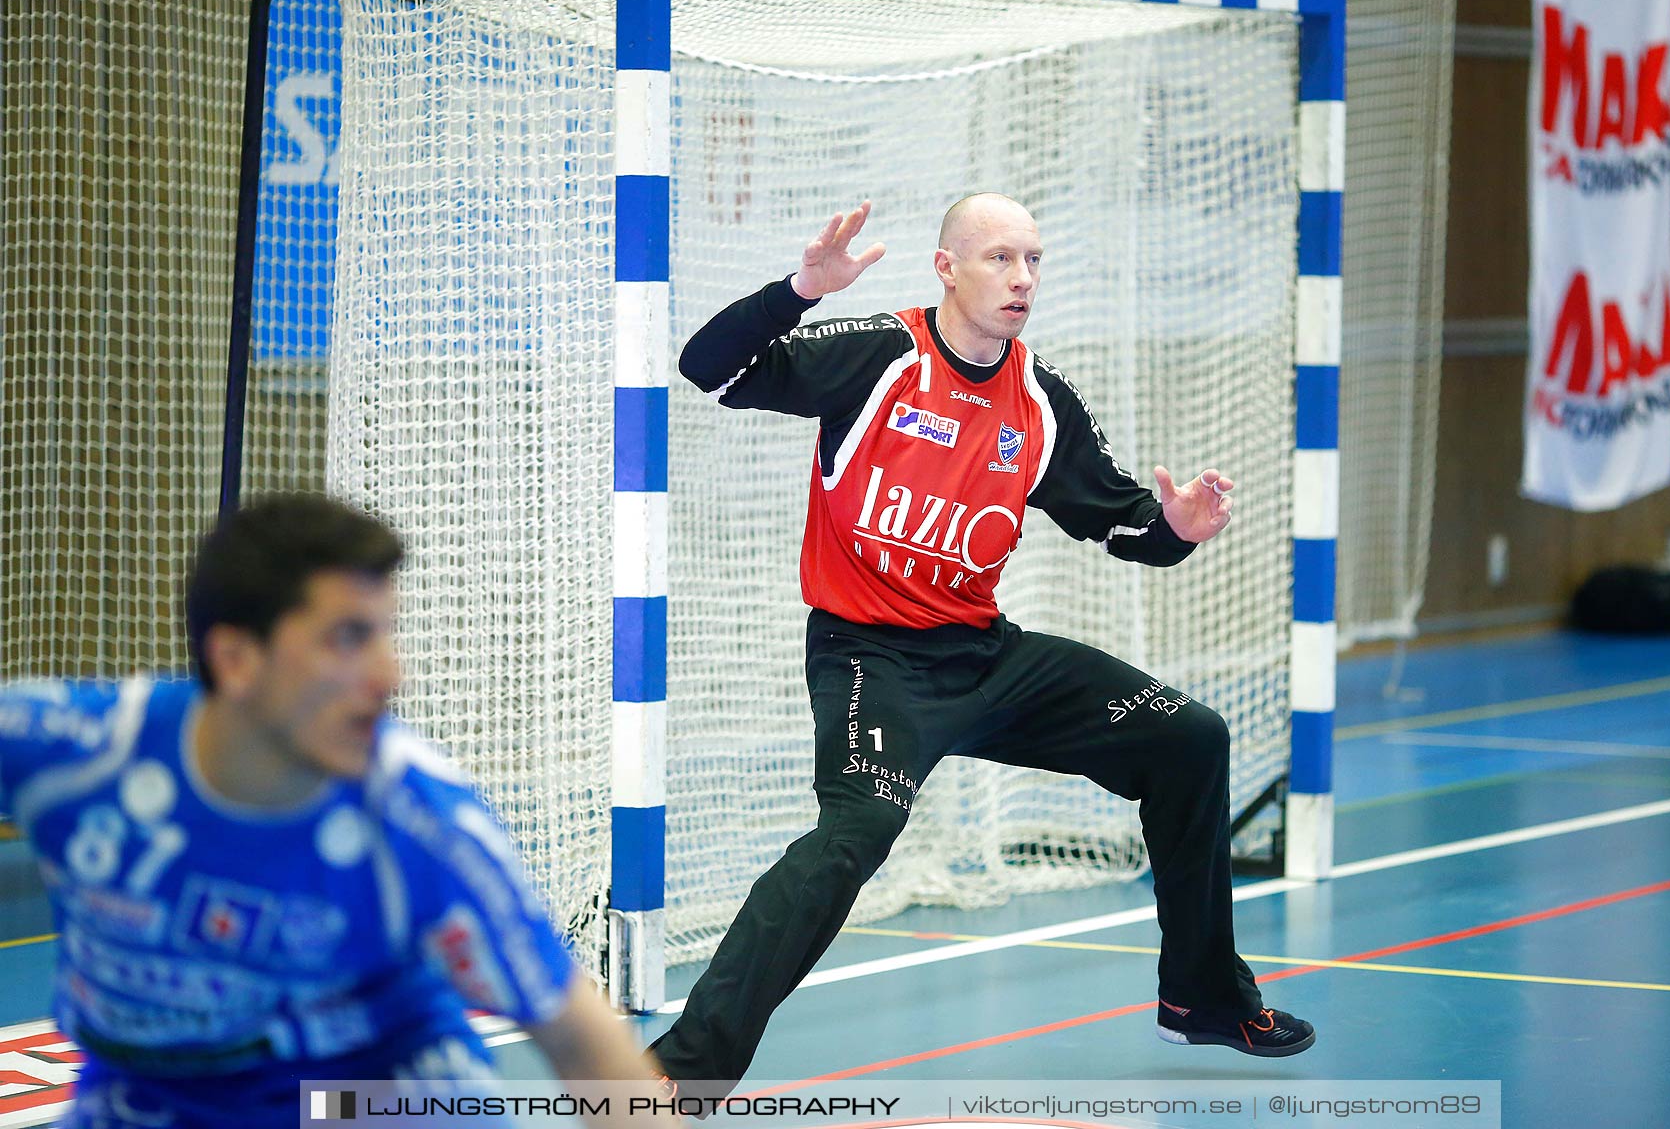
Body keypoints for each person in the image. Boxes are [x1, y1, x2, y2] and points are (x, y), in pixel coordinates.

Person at [651, 195, 1315, 1092]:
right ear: (947, 269)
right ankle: (677, 1079)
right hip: (869, 658)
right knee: (857, 834)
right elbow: (704, 365)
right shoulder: (881, 355)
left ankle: (1202, 998)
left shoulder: (1040, 402)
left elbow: (1123, 526)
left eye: (1034, 260)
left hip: (984, 657)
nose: (1023, 279)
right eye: (1000, 258)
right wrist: (802, 287)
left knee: (1188, 736)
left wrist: (1178, 526)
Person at [0, 493, 662, 1128]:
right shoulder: (77, 754)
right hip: (149, 1099)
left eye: (384, 634)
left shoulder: (420, 824)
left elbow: (577, 1034)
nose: (389, 674)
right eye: (348, 638)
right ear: (235, 659)